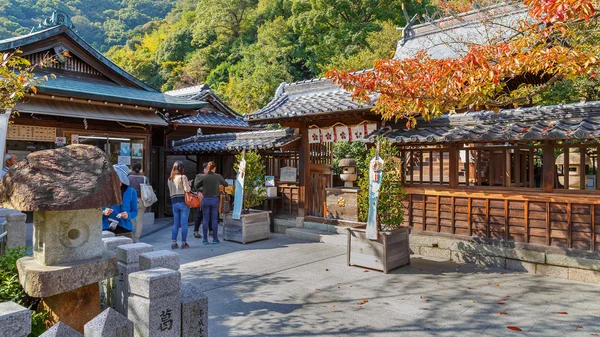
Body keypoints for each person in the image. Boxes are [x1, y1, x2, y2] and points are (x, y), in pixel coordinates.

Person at [194, 161, 227, 244]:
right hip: (215, 200)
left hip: (205, 199)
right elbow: (225, 184)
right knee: (214, 220)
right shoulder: (217, 176)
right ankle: (215, 239)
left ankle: (205, 240)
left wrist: (203, 189)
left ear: (207, 168)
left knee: (205, 219)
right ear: (214, 168)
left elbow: (196, 186)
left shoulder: (204, 177)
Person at [102, 164, 138, 239]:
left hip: (125, 230)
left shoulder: (131, 192)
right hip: (106, 229)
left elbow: (135, 212)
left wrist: (128, 215)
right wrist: (104, 212)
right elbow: (96, 210)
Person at [168, 161, 191, 249]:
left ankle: (174, 242)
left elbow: (170, 191)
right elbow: (187, 190)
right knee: (184, 223)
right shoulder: (183, 177)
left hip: (174, 202)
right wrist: (189, 184)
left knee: (176, 223)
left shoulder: (170, 179)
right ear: (182, 169)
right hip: (183, 202)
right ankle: (184, 243)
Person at [128, 162, 147, 243]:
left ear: (132, 168)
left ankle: (131, 237)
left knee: (131, 220)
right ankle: (137, 238)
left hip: (131, 201)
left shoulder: (128, 178)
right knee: (140, 221)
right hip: (141, 200)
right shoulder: (145, 178)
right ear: (140, 168)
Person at [192, 162, 209, 239]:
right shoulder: (199, 176)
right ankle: (196, 231)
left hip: (210, 196)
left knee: (211, 214)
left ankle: (211, 230)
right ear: (204, 169)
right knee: (199, 214)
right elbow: (196, 186)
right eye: (206, 168)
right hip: (201, 197)